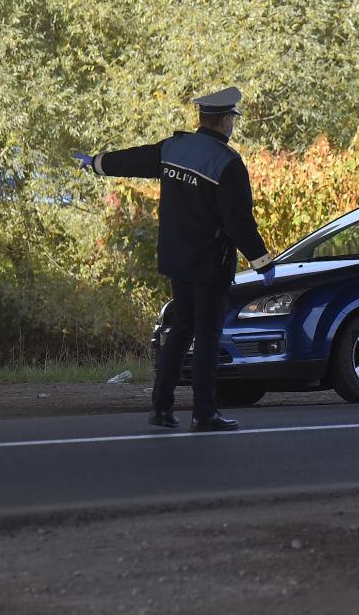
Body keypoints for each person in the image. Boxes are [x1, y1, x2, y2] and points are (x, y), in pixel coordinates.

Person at [73, 87, 276, 432]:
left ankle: (161, 407)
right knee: (208, 335)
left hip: (177, 259)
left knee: (181, 330)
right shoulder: (228, 164)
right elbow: (239, 222)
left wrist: (96, 163)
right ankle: (204, 412)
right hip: (210, 263)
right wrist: (263, 262)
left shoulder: (174, 148)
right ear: (226, 121)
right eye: (232, 120)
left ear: (202, 119)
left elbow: (133, 160)